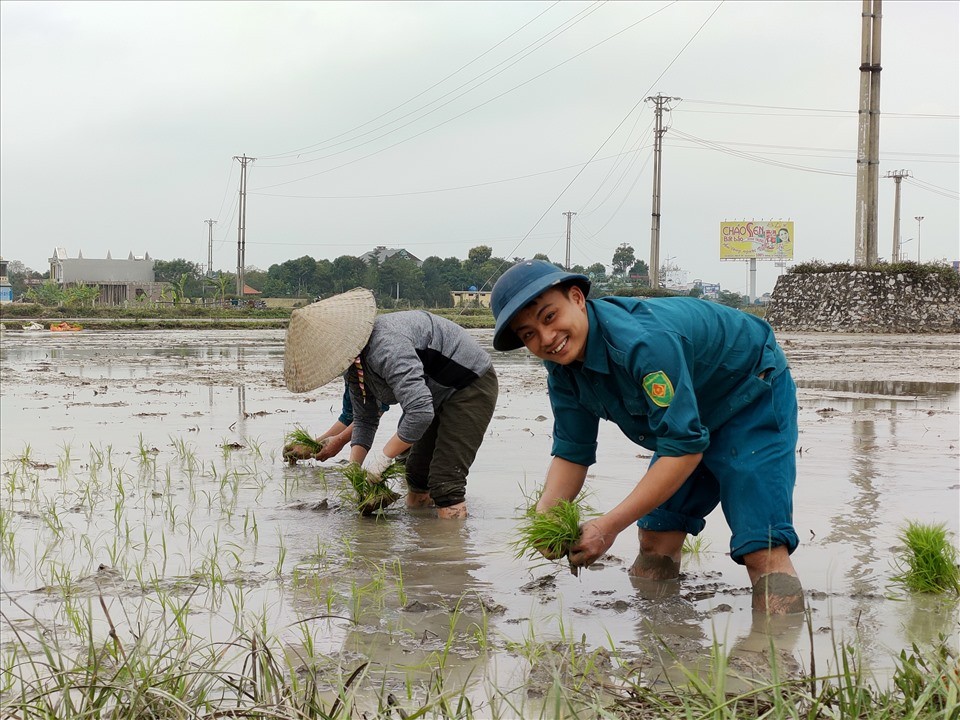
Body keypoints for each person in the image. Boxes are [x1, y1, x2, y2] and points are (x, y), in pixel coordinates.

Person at [490, 260, 804, 614]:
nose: (546, 338)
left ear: (576, 298)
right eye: (528, 334)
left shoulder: (643, 343)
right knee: (656, 537)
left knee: (761, 547)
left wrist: (608, 527)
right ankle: (660, 643)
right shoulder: (563, 369)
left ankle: (777, 656)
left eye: (549, 317)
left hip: (749, 392)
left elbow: (683, 451)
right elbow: (572, 452)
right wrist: (546, 513)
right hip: (690, 413)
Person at [284, 288, 498, 519]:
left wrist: (382, 459)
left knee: (446, 482)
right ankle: (422, 544)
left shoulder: (386, 346)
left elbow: (419, 410)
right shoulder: (354, 367)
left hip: (468, 386)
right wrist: (354, 469)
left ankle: (449, 550)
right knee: (416, 474)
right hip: (433, 394)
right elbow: (365, 418)